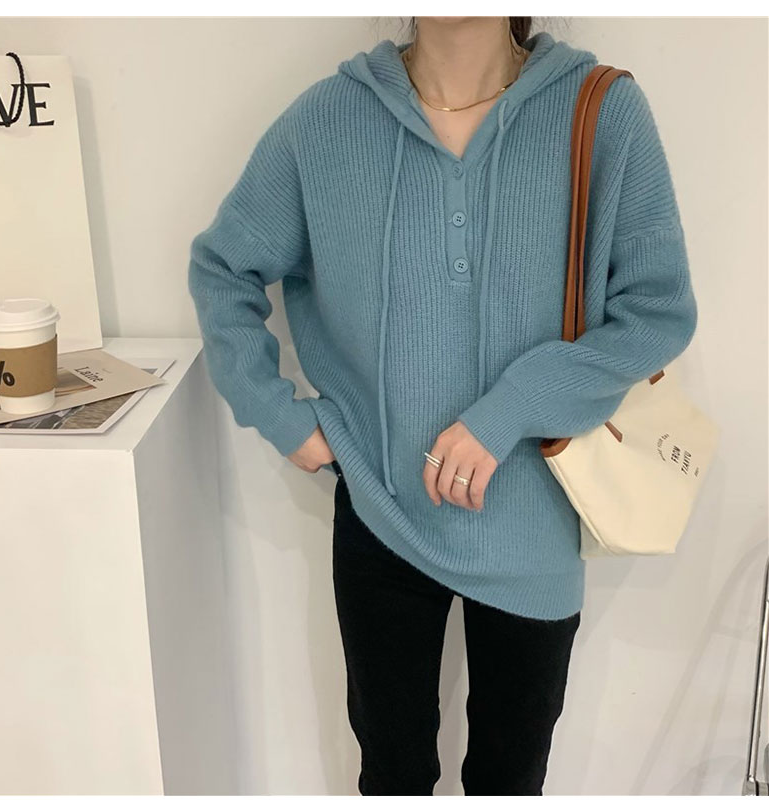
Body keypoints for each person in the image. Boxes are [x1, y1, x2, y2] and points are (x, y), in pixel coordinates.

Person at [188, 16, 698, 795]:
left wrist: (509, 409)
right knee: (391, 777)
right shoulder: (326, 121)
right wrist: (284, 420)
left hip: (535, 520)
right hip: (382, 512)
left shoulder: (600, 113)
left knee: (509, 780)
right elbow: (223, 268)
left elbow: (657, 313)